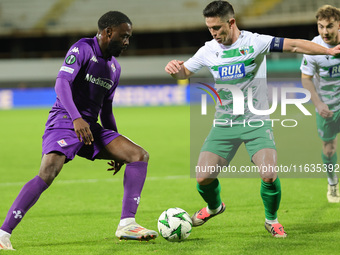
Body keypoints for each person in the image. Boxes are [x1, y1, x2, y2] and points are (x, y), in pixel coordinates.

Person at [165, 0, 340, 238]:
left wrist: (328, 50)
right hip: (224, 124)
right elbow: (185, 72)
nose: (214, 33)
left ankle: (272, 220)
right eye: (210, 28)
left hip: (256, 122)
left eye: (218, 28)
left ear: (232, 22)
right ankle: (215, 207)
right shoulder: (208, 50)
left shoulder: (254, 42)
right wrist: (176, 71)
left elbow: (295, 46)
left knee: (269, 173)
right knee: (203, 177)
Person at [0, 11, 158, 250]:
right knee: (48, 172)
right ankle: (3, 233)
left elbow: (106, 110)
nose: (127, 42)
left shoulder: (114, 68)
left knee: (138, 155)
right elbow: (61, 83)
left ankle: (127, 224)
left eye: (129, 38)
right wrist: (76, 118)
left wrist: (117, 148)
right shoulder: (83, 48)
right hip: (65, 119)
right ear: (108, 32)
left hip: (90, 127)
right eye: (123, 37)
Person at [300, 5, 340, 203]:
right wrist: (318, 104)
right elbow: (306, 79)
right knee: (329, 148)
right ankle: (333, 184)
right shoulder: (313, 48)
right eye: (321, 26)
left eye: (330, 26)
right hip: (327, 108)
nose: (325, 31)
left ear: (339, 25)